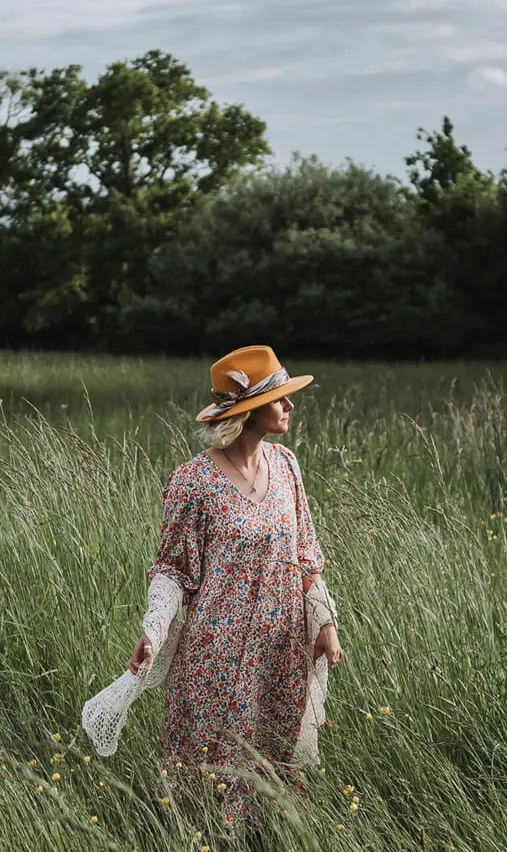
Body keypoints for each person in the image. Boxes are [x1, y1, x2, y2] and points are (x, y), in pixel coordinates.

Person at [82, 345, 342, 831]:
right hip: (215, 660)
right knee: (210, 781)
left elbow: (307, 557)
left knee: (275, 775)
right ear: (248, 411)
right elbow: (173, 571)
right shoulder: (193, 482)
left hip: (280, 654)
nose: (290, 405)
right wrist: (153, 631)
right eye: (279, 397)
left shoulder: (287, 467)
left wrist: (324, 623)